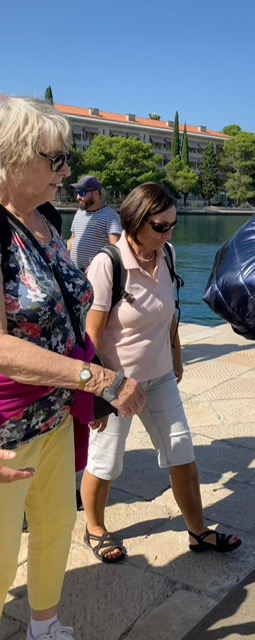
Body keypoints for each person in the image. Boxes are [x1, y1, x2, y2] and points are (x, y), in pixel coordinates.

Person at [0, 96, 146, 640]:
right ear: (11, 156)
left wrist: (93, 381)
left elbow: (66, 312)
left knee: (55, 527)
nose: (66, 172)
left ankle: (44, 626)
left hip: (56, 415)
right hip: (7, 427)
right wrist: (99, 380)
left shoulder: (46, 219)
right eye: (55, 159)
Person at [80, 182, 242, 563]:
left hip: (161, 376)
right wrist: (98, 389)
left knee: (182, 452)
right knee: (106, 461)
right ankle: (95, 528)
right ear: (136, 221)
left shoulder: (167, 254)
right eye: (161, 226)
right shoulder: (108, 264)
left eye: (173, 225)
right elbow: (92, 334)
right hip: (117, 383)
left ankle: (198, 531)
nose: (169, 234)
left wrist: (176, 352)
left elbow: (169, 309)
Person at [67, 175, 121, 272]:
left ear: (96, 194)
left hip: (96, 272)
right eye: (77, 193)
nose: (78, 197)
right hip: (74, 271)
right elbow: (73, 239)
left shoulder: (110, 215)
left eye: (82, 193)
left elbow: (116, 247)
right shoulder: (79, 213)